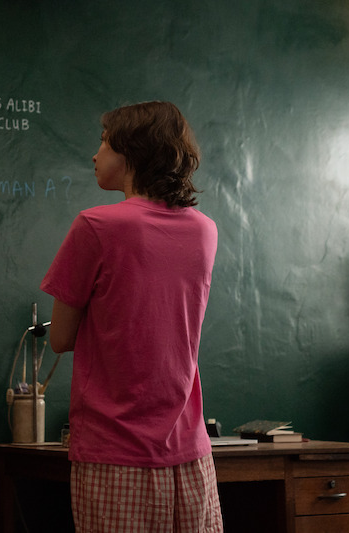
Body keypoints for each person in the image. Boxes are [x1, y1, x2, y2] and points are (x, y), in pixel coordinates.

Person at [40, 101, 222, 532]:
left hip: (113, 450)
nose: (94, 154)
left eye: (103, 142)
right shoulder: (204, 230)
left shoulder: (96, 226)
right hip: (190, 453)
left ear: (132, 151)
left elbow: (61, 338)